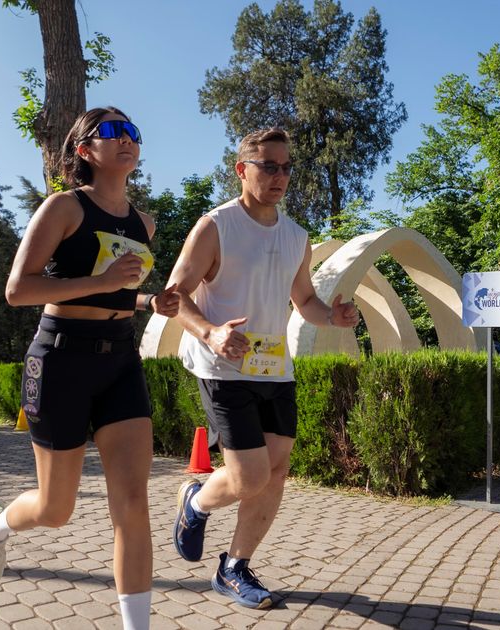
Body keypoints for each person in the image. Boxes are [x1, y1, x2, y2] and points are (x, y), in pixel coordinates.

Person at [0, 107, 180, 630]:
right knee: (55, 510)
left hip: (120, 361)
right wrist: (103, 281)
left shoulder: (143, 223)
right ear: (84, 150)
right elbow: (19, 291)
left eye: (132, 130)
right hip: (60, 357)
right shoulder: (63, 208)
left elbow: (118, 293)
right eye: (111, 132)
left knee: (132, 501)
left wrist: (148, 301)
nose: (126, 139)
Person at [167, 127, 360, 609]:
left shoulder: (297, 235)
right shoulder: (216, 226)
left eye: (287, 167)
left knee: (274, 473)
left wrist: (332, 316)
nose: (280, 176)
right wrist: (210, 331)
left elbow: (306, 301)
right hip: (222, 365)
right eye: (269, 166)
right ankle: (195, 502)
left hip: (275, 368)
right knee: (250, 477)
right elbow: (174, 297)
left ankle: (234, 568)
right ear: (242, 170)